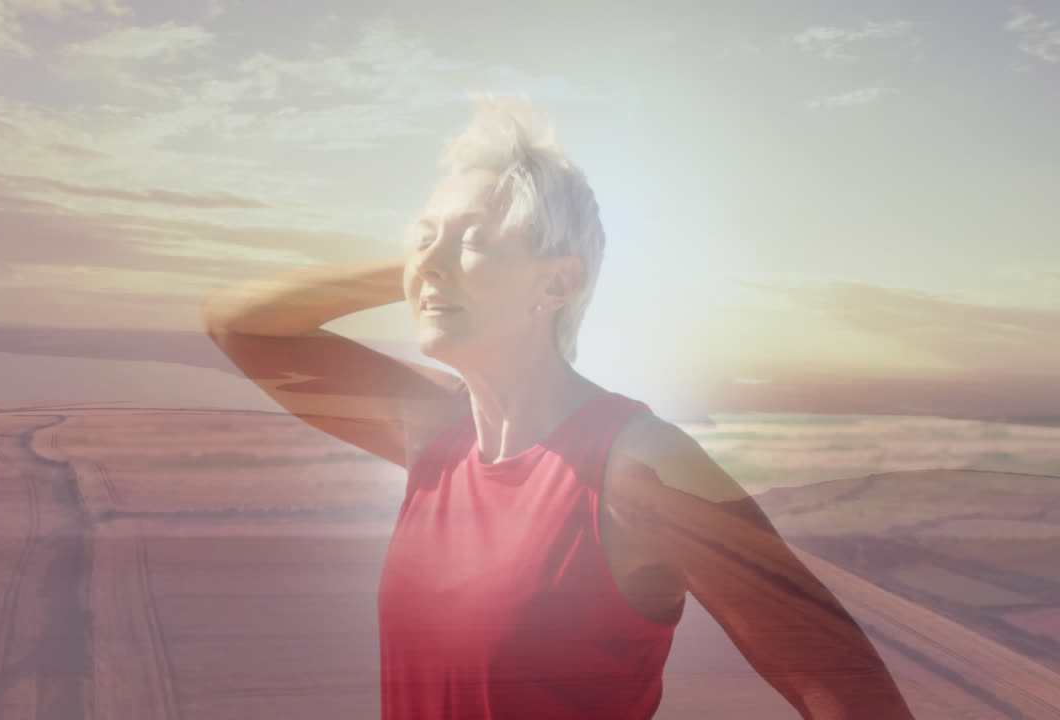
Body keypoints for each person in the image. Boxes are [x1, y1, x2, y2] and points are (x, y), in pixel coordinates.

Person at [199, 96, 915, 719]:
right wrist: (434, 262)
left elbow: (848, 688)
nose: (432, 259)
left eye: (476, 241)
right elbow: (238, 322)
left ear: (556, 285)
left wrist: (443, 261)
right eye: (422, 236)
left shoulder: (639, 467)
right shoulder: (433, 428)